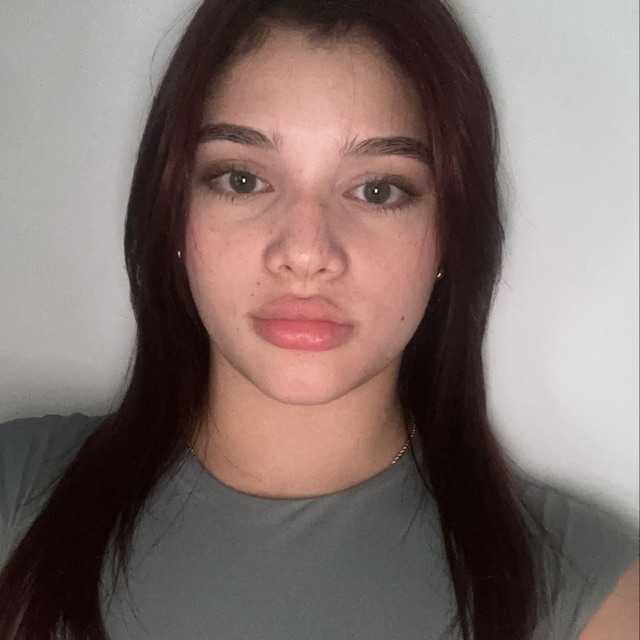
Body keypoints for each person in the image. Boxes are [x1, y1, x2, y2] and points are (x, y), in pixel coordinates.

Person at [0, 1, 637, 638]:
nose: (305, 253)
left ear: (451, 235)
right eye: (242, 180)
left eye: (378, 190)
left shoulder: (589, 593)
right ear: (171, 211)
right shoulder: (17, 495)